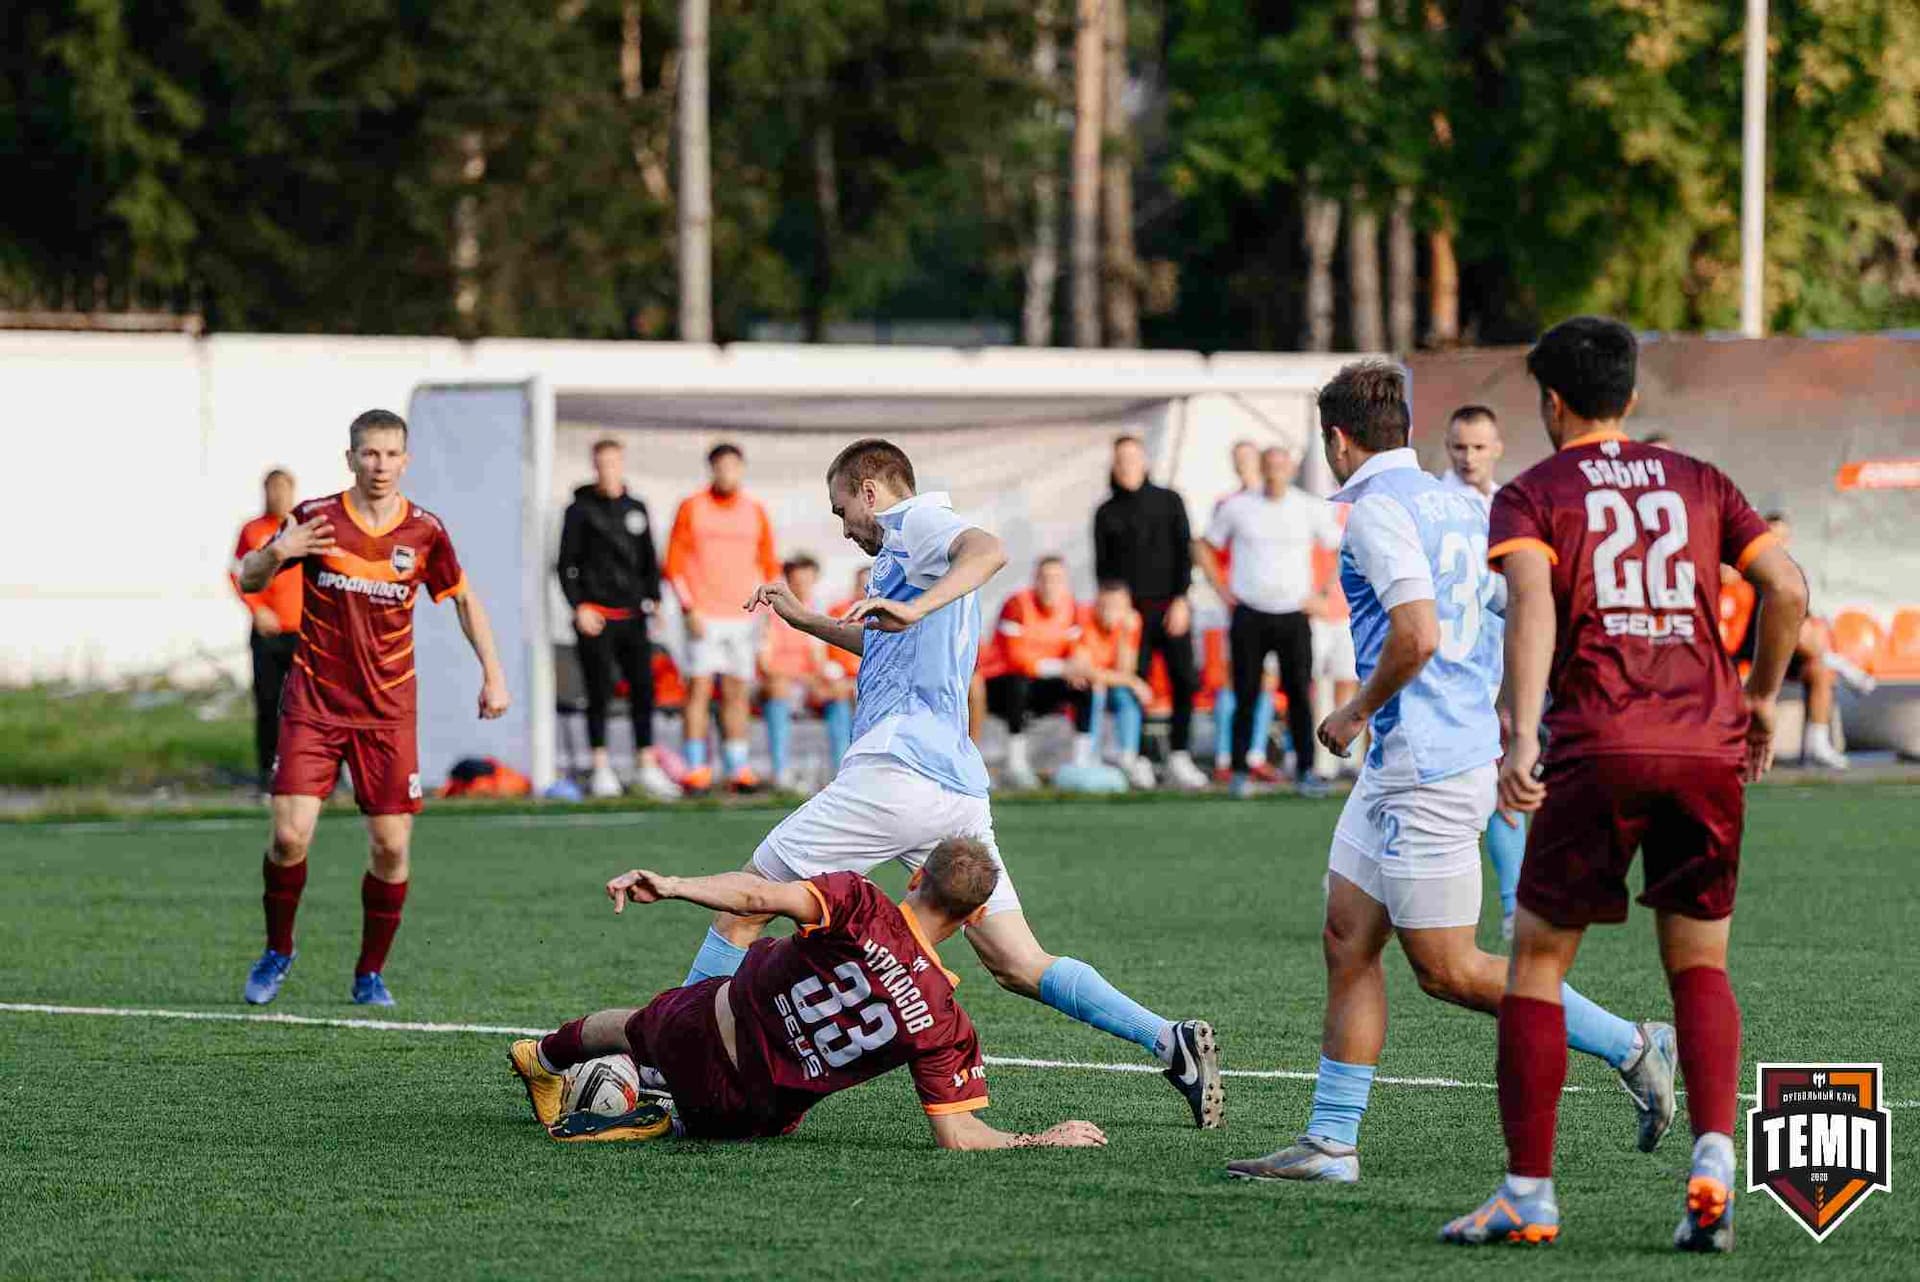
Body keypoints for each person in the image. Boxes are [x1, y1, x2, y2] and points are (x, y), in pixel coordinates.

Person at [1229, 362, 1674, 1188]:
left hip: (1428, 766)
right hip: (1412, 763)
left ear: (1337, 438)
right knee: (1347, 938)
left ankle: (1633, 1044)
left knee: (1448, 969)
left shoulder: (1378, 513)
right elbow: (1514, 608)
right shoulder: (1462, 505)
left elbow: (1419, 635)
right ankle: (1330, 1144)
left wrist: (1354, 710)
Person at [1441, 317, 1808, 1251]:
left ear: (1550, 403)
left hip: (1600, 742)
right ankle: (1715, 1161)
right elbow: (1790, 590)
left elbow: (1530, 605)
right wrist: (1760, 698)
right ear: (1631, 399)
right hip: (1706, 746)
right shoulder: (1700, 481)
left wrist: (1520, 733)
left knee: (1535, 965)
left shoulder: (1531, 492)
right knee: (1699, 965)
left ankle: (1529, 1194)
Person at [730, 437, 1222, 1128]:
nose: (843, 526)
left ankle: (671, 1068)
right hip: (951, 790)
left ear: (871, 491)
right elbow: (891, 640)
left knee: (747, 903)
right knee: (1019, 962)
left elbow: (988, 550)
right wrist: (814, 622)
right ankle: (1167, 1039)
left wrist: (918, 603)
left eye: (843, 508)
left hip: (898, 775)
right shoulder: (905, 556)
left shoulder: (920, 523)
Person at [508, 838, 1107, 1151]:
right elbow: (960, 1137)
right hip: (743, 1114)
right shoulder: (946, 1022)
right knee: (762, 1115)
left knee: (644, 1019)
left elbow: (756, 899)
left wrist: (671, 885)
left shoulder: (858, 901)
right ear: (976, 916)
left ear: (916, 876)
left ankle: (546, 1057)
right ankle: (668, 1122)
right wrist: (1039, 1137)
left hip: (696, 1028)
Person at [234, 409, 511, 1008]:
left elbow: (464, 601)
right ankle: (278, 950)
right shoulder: (316, 518)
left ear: (405, 461)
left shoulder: (425, 531)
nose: (380, 465)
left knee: (390, 847)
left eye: (391, 455)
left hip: (387, 711)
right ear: (350, 458)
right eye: (369, 454)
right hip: (315, 703)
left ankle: (368, 974)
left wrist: (493, 673)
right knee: (289, 836)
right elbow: (250, 579)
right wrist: (280, 549)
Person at [1196, 445, 1343, 798]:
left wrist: (1323, 593)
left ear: (1290, 470)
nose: (1275, 472)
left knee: (1298, 693)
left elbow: (1342, 546)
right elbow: (1203, 546)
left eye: (1281, 466)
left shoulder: (1308, 507)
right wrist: (1222, 589)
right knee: (1245, 694)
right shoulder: (1238, 506)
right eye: (1269, 466)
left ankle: (1306, 770)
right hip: (1249, 612)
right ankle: (1240, 771)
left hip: (1294, 613)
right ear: (1261, 469)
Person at [1437, 405, 1525, 939]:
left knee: (1503, 778)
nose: (1468, 457)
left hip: (1503, 670)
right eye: (1458, 447)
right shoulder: (1437, 504)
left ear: (1497, 448)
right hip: (1447, 671)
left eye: (1477, 447)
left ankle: (1515, 903)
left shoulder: (1514, 503)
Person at [556, 438, 677, 800]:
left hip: (633, 617)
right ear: (594, 467)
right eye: (601, 464)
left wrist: (654, 600)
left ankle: (646, 764)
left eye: (614, 463)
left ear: (622, 465)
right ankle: (601, 766)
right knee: (599, 691)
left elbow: (648, 560)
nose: (608, 470)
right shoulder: (579, 510)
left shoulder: (636, 508)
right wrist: (579, 607)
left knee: (644, 689)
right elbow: (566, 565)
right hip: (597, 618)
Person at [1094, 436, 1210, 789]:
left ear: (1144, 461)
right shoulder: (1106, 512)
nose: (1127, 465)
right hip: (1130, 615)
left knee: (1184, 681)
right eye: (1121, 460)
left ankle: (1179, 756)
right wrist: (1119, 610)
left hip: (1170, 607)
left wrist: (1181, 599)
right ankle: (1139, 757)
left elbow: (1185, 553)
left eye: (1133, 458)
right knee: (1134, 683)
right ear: (1114, 465)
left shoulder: (1170, 501)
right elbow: (1104, 570)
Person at [665, 443, 780, 793]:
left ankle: (737, 767)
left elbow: (769, 566)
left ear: (741, 470)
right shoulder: (692, 507)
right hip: (704, 615)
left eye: (733, 466)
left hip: (742, 617)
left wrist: (766, 620)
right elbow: (673, 563)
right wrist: (689, 609)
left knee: (737, 692)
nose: (727, 472)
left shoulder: (755, 511)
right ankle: (696, 767)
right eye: (720, 466)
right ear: (711, 469)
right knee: (698, 690)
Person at [1723, 512, 1868, 770]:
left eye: (1782, 538)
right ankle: (1842, 665)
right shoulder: (1746, 571)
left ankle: (1818, 745)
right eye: (1772, 537)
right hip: (1749, 652)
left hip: (1781, 653)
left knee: (1818, 669)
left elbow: (1803, 618)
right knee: (1796, 630)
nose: (1778, 543)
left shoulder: (1792, 576)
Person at [971, 555, 1086, 790]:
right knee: (1018, 682)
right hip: (1001, 686)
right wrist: (1062, 667)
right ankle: (1016, 762)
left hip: (1043, 685)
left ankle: (1081, 762)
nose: (1050, 584)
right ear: (1036, 580)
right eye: (1045, 578)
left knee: (1083, 685)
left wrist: (1076, 666)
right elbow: (1016, 658)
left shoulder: (1071, 608)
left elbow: (1077, 649)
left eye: (1057, 579)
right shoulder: (1017, 604)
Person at [1207, 441, 1277, 782]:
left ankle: (1255, 753)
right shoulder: (1229, 505)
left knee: (1266, 681)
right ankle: (1225, 754)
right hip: (1240, 606)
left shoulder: (1282, 504)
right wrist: (1225, 592)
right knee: (1235, 679)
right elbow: (1212, 551)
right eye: (1239, 461)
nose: (1245, 467)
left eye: (1249, 460)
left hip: (1275, 607)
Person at [229, 469, 302, 793]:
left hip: (303, 632)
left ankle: (316, 776)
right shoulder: (252, 531)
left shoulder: (302, 530)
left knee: (309, 707)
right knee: (268, 703)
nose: (278, 496)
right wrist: (257, 609)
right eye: (273, 489)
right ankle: (267, 776)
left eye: (284, 489)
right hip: (268, 635)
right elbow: (237, 573)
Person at [1069, 582, 1157, 788]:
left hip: (1110, 684)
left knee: (1124, 696)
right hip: (1082, 687)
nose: (1111, 612)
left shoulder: (1130, 625)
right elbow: (1086, 671)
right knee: (1096, 690)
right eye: (1107, 605)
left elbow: (1124, 670)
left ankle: (1128, 757)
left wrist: (1125, 637)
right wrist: (1133, 681)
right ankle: (1089, 755)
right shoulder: (1083, 619)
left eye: (1118, 606)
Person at [759, 554, 829, 791]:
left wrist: (815, 682)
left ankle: (841, 772)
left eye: (807, 580)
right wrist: (796, 678)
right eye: (797, 580)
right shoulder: (771, 613)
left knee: (837, 694)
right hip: (780, 681)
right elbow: (765, 663)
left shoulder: (819, 612)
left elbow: (819, 660)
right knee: (779, 688)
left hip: (805, 682)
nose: (802, 586)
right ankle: (781, 772)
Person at [819, 566, 867, 770]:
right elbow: (832, 655)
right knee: (838, 695)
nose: (866, 591)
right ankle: (843, 769)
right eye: (862, 585)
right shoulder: (840, 612)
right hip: (843, 682)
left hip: (868, 683)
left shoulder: (889, 614)